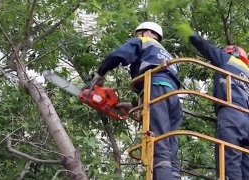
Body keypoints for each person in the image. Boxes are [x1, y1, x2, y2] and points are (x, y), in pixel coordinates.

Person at [92, 21, 183, 180]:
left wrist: (100, 73)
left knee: (158, 141)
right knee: (170, 143)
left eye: (138, 34)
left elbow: (118, 55)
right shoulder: (167, 55)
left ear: (146, 32)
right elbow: (160, 86)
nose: (136, 37)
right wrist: (135, 105)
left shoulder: (143, 41)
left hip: (155, 89)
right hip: (173, 98)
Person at [177, 23, 249, 180]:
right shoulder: (247, 73)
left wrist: (187, 30)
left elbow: (205, 46)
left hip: (231, 114)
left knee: (229, 165)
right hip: (247, 120)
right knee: (246, 169)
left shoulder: (227, 59)